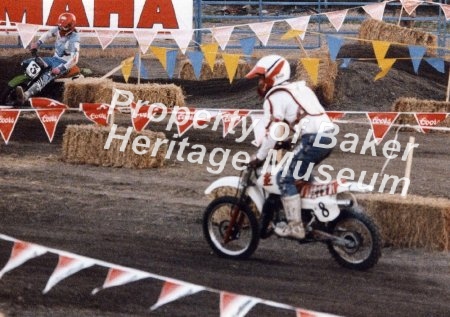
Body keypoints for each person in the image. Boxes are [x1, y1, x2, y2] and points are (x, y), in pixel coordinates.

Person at [245, 55, 334, 239]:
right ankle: (313, 216)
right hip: (328, 136)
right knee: (302, 175)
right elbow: (303, 119)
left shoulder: (274, 97)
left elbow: (272, 132)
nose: (260, 83)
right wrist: (287, 142)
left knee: (284, 178)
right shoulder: (300, 88)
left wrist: (259, 157)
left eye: (262, 78)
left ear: (273, 75)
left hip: (312, 139)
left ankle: (295, 227)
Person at [16, 12, 80, 106]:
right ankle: (25, 83)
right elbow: (48, 34)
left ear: (71, 26)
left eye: (64, 27)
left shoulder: (74, 39)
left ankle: (26, 95)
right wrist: (37, 43)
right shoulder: (59, 28)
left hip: (64, 64)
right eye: (60, 26)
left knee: (47, 75)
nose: (61, 29)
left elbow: (75, 59)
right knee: (27, 62)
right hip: (54, 59)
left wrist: (61, 69)